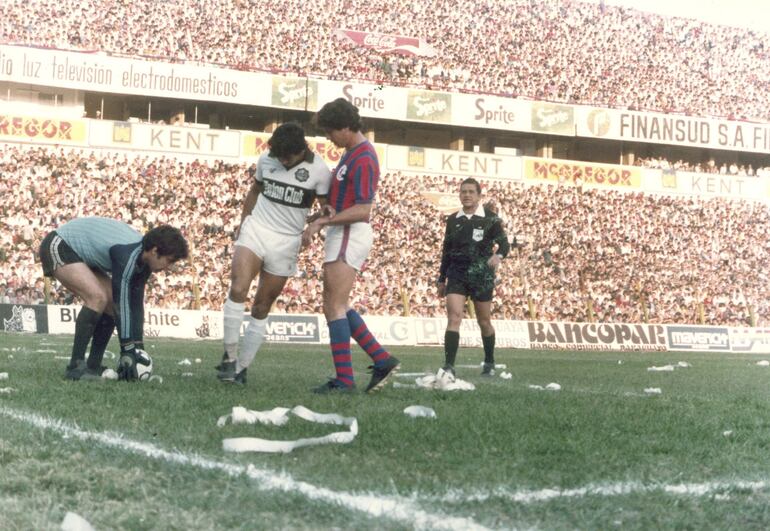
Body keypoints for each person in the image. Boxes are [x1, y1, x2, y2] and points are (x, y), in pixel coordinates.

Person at [217, 122, 332, 384]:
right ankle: (229, 356)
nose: (281, 160)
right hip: (257, 229)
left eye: (287, 156)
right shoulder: (266, 160)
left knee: (261, 305)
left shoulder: (319, 170)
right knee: (237, 289)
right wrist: (244, 221)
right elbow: (255, 190)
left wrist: (315, 224)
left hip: (287, 241)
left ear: (301, 150)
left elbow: (327, 209)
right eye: (278, 155)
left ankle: (242, 368)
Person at [303, 98, 400, 394]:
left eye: (331, 132)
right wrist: (322, 215)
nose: (329, 139)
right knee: (338, 305)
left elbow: (363, 210)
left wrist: (322, 223)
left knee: (333, 306)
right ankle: (381, 359)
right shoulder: (351, 153)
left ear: (346, 127)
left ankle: (345, 379)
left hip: (349, 233)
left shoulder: (364, 157)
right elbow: (344, 202)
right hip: (342, 231)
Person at [39, 218, 189, 380]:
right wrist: (127, 349)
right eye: (169, 260)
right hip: (59, 244)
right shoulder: (127, 255)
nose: (169, 266)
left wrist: (138, 349)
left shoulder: (142, 259)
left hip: (78, 253)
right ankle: (75, 367)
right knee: (97, 297)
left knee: (108, 302)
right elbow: (121, 303)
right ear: (154, 250)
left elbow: (136, 305)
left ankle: (92, 366)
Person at [437, 178, 510, 377]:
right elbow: (447, 250)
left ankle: (489, 361)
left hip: (481, 277)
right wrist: (441, 279)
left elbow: (504, 245)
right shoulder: (453, 220)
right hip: (456, 274)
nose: (467, 195)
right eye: (463, 191)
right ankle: (449, 365)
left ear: (478, 195)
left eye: (471, 191)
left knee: (484, 321)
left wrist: (498, 256)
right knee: (454, 318)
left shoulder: (491, 219)